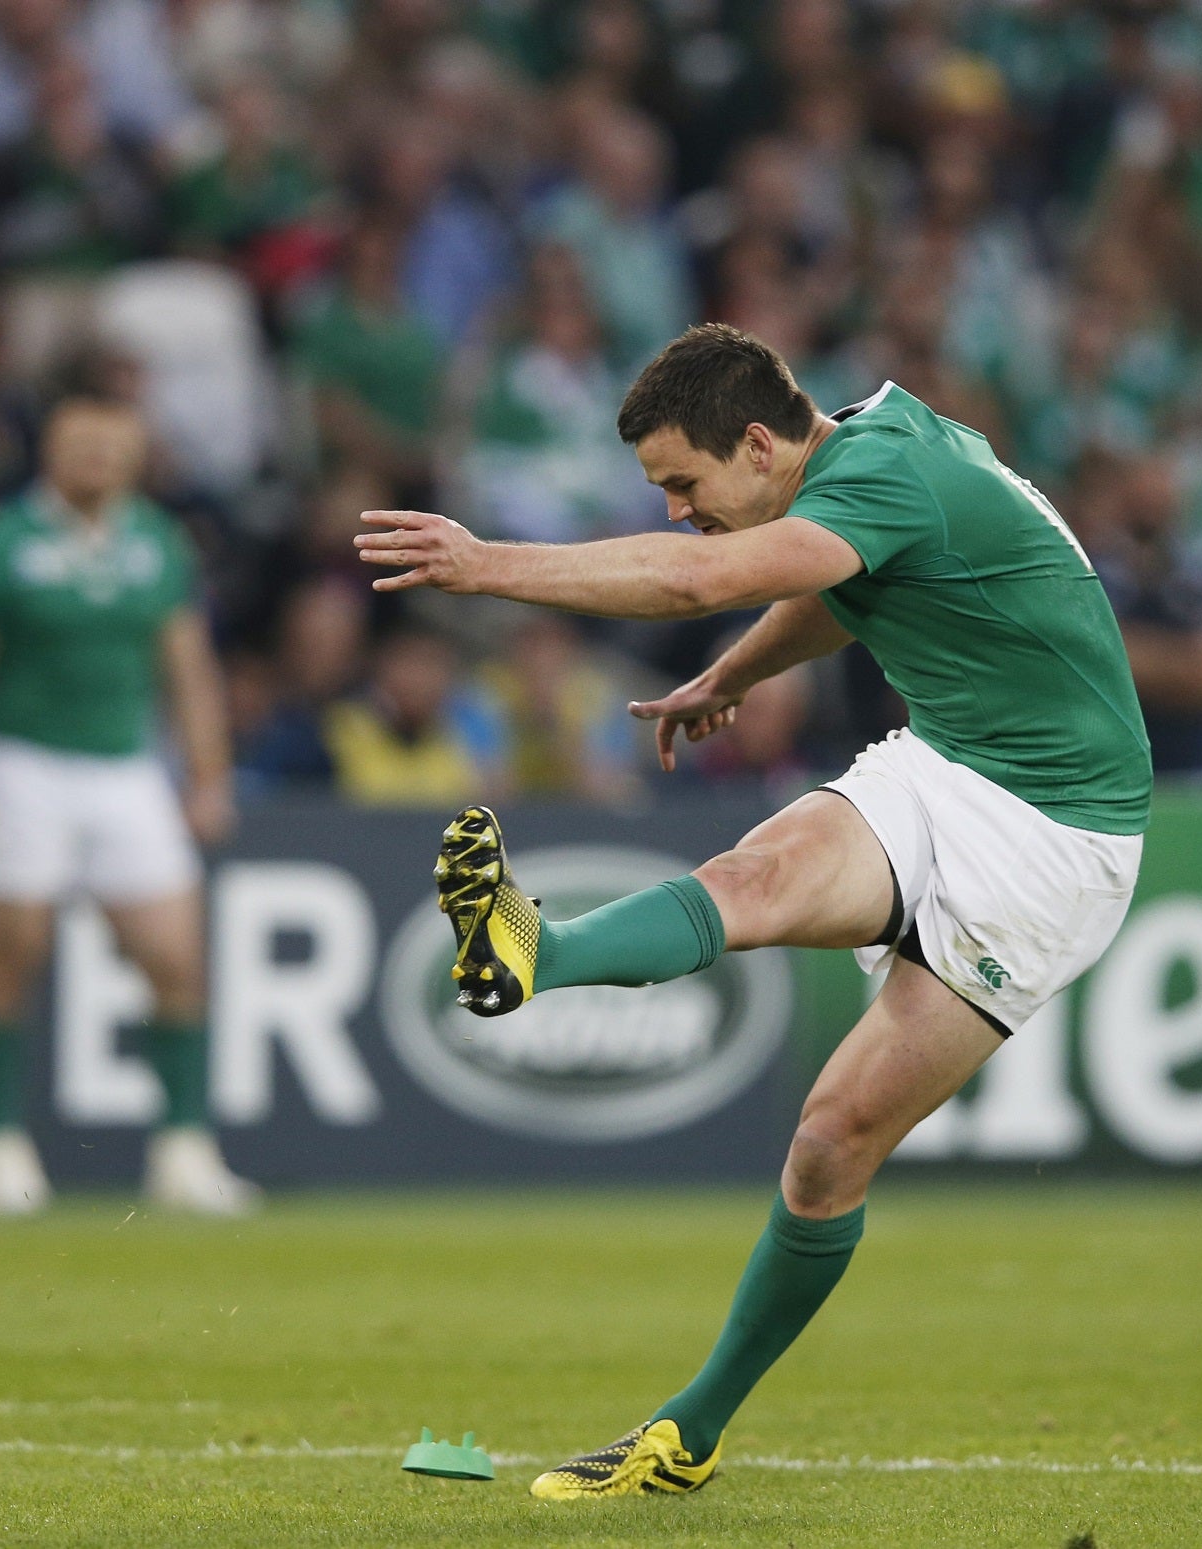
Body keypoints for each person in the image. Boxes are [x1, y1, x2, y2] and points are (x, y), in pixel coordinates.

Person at [355, 324, 1151, 1497]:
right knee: (750, 879)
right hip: (948, 760)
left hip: (1054, 835)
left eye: (683, 482)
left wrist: (487, 565)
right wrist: (731, 675)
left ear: (762, 443)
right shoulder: (869, 452)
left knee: (829, 1147)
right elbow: (838, 582)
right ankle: (531, 952)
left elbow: (695, 579)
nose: (677, 509)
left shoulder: (882, 467)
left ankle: (691, 1427)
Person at [0, 398, 257, 1218]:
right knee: (10, 953)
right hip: (22, 764)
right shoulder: (4, 542)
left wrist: (208, 774)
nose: (99, 458)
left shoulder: (156, 543)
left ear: (138, 455)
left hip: (125, 768)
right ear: (52, 452)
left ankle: (182, 1150)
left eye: (115, 445)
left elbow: (187, 664)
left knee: (175, 954)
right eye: (83, 444)